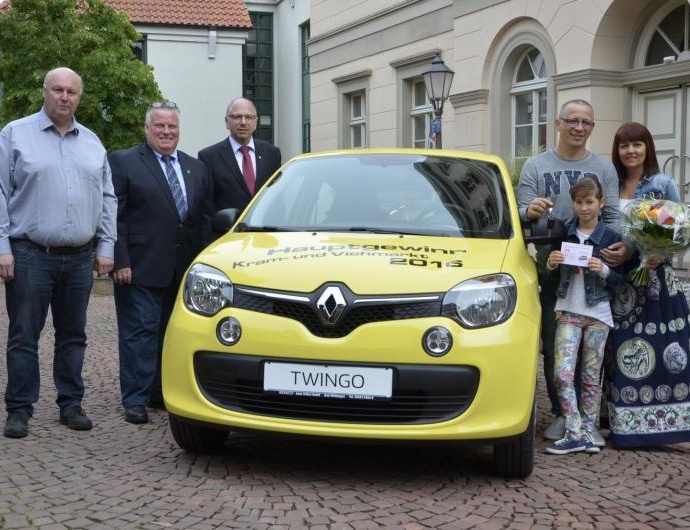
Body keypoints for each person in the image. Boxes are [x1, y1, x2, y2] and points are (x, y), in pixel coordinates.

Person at [0, 67, 117, 438]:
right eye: (57, 90)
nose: (64, 97)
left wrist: (106, 245)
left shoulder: (93, 142)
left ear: (79, 97)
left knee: (73, 334)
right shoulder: (15, 134)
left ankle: (71, 403)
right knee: (23, 335)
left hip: (81, 256)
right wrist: (2, 247)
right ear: (44, 92)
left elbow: (107, 197)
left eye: (71, 92)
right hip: (30, 252)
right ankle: (19, 408)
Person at [518, 99, 624, 446]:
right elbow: (519, 210)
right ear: (558, 123)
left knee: (590, 347)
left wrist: (618, 251)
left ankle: (585, 416)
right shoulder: (536, 165)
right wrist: (529, 210)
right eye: (573, 121)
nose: (579, 127)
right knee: (554, 340)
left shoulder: (604, 169)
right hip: (553, 262)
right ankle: (564, 413)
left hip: (594, 265)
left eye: (586, 123)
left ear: (592, 128)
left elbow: (613, 218)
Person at [109, 101, 214, 424]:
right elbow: (114, 216)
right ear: (147, 129)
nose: (167, 132)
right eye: (160, 126)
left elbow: (204, 220)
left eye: (172, 127)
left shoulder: (196, 167)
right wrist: (119, 260)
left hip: (184, 270)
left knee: (172, 333)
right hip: (139, 266)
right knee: (140, 332)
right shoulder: (124, 161)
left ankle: (159, 392)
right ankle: (136, 400)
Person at [605, 121, 690, 447]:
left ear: (647, 148)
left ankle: (665, 426)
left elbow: (679, 228)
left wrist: (657, 253)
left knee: (665, 349)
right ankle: (626, 426)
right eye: (625, 146)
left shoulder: (662, 183)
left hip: (656, 281)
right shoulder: (610, 184)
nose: (630, 151)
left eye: (637, 145)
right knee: (624, 351)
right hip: (621, 284)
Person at [544, 177, 625, 454]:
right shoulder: (563, 234)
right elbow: (548, 274)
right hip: (568, 311)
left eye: (589, 202)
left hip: (598, 314)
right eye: (579, 202)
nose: (584, 208)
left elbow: (621, 281)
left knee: (591, 376)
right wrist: (550, 263)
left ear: (601, 203)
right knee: (563, 373)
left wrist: (603, 270)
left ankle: (588, 431)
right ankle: (574, 429)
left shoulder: (611, 239)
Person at [198, 97, 282, 218]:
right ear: (227, 121)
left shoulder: (272, 154)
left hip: (265, 231)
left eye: (248, 117)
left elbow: (277, 198)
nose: (243, 122)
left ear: (255, 122)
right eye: (237, 117)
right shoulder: (209, 157)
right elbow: (207, 207)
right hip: (228, 233)